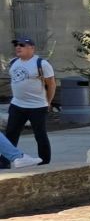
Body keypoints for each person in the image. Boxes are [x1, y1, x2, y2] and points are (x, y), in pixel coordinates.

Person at [7, 37, 54, 165]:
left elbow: (51, 84)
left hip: (37, 106)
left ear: (32, 48)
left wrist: (48, 101)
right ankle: (4, 162)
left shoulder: (42, 64)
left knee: (40, 135)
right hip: (17, 105)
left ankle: (44, 161)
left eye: (22, 45)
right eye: (16, 45)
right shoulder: (13, 62)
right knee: (11, 134)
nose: (18, 47)